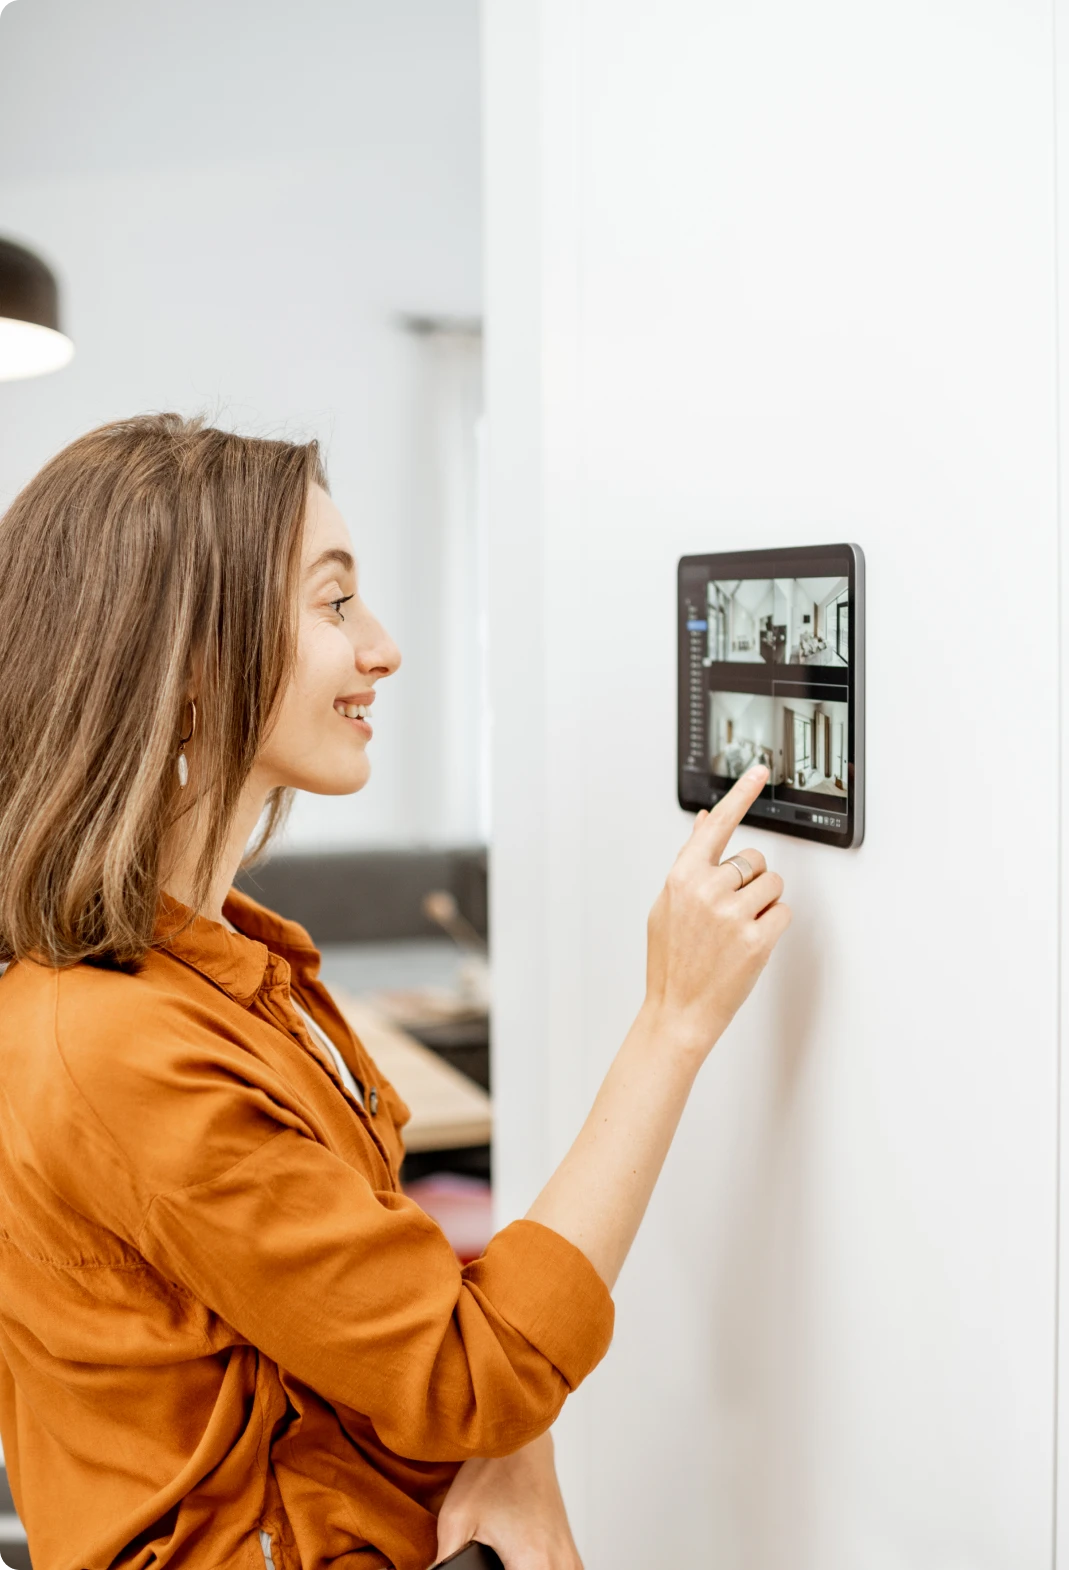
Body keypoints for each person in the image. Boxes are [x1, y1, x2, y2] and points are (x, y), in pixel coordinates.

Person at [0, 415, 791, 1570]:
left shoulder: (237, 959)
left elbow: (386, 1299)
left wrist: (514, 1443)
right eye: (333, 604)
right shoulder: (114, 1046)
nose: (382, 647)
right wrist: (673, 1022)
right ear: (187, 669)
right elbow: (471, 1371)